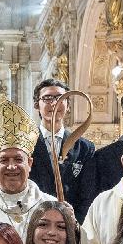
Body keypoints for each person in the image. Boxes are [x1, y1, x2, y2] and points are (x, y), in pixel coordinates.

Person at [0, 100, 57, 239]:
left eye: (18, 159)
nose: (11, 166)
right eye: (4, 160)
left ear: (29, 163)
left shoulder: (52, 206)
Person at [29, 78, 97, 221]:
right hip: (34, 220)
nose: (54, 103)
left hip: (70, 221)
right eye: (47, 98)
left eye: (60, 98)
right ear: (36, 105)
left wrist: (74, 221)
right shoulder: (26, 144)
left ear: (68, 105)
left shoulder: (84, 148)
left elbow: (88, 194)